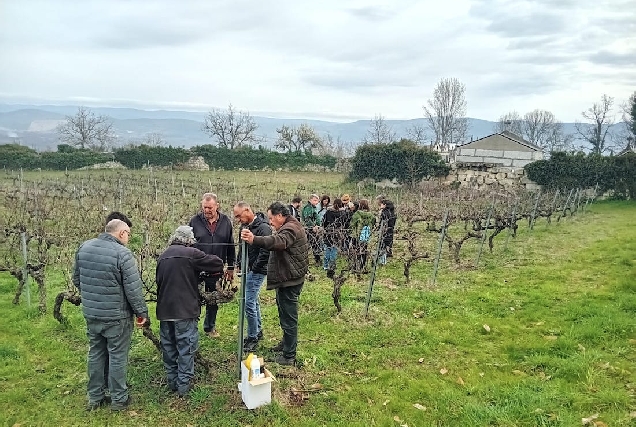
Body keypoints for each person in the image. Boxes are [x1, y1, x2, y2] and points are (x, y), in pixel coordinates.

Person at [72, 219, 149, 412]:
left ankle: (95, 397)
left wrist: (93, 297)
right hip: (117, 316)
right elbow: (133, 290)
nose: (129, 238)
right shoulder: (122, 254)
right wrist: (141, 313)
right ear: (122, 233)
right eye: (128, 234)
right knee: (117, 356)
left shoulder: (85, 247)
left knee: (96, 353)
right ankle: (119, 399)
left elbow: (77, 279)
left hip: (92, 313)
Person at [155, 226, 224, 398]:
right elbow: (216, 263)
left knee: (169, 347)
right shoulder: (191, 253)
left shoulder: (162, 256)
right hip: (185, 310)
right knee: (186, 347)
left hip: (164, 310)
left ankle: (172, 382)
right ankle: (184, 387)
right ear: (188, 241)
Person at [240, 202, 309, 366]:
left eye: (271, 218)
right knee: (284, 313)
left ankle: (289, 355)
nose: (270, 222)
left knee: (289, 318)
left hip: (291, 280)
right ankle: (286, 344)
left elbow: (279, 241)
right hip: (288, 277)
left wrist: (254, 239)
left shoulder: (290, 228)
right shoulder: (290, 224)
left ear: (280, 216)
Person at [189, 193, 236, 338]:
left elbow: (230, 245)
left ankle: (209, 327)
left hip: (216, 269)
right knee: (194, 299)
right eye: (204, 207)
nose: (207, 210)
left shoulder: (226, 221)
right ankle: (192, 328)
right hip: (196, 268)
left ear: (217, 205)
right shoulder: (194, 221)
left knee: (213, 299)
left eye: (210, 207)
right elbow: (188, 244)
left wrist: (231, 267)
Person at [233, 202, 271, 352]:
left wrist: (254, 269)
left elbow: (266, 251)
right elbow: (241, 247)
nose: (237, 219)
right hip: (247, 269)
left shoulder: (264, 228)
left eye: (239, 216)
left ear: (247, 210)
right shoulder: (244, 227)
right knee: (252, 300)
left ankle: (252, 337)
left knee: (248, 302)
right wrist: (238, 262)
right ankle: (258, 330)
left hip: (258, 270)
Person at [349, 199, 376, 272]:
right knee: (363, 251)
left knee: (355, 251)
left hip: (356, 235)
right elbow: (373, 223)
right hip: (365, 236)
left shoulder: (357, 213)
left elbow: (352, 224)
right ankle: (362, 266)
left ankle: (355, 267)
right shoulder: (371, 215)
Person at [322, 198, 344, 277]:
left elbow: (324, 222)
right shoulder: (342, 213)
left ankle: (326, 265)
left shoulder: (328, 212)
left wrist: (325, 228)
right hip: (337, 234)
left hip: (328, 233)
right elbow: (343, 223)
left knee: (327, 249)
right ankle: (332, 265)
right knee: (334, 249)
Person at [301, 194, 322, 266]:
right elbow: (307, 219)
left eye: (317, 201)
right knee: (312, 245)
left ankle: (317, 260)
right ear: (310, 200)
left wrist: (318, 225)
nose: (316, 202)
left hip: (314, 229)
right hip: (309, 230)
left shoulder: (313, 207)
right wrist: (313, 227)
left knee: (315, 244)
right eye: (314, 200)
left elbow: (316, 217)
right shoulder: (308, 208)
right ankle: (305, 261)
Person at [379, 199, 397, 264]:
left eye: (382, 204)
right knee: (388, 244)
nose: (380, 205)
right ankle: (388, 254)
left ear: (385, 205)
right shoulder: (393, 213)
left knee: (382, 245)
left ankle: (382, 261)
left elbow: (382, 223)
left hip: (384, 231)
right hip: (390, 231)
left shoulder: (384, 213)